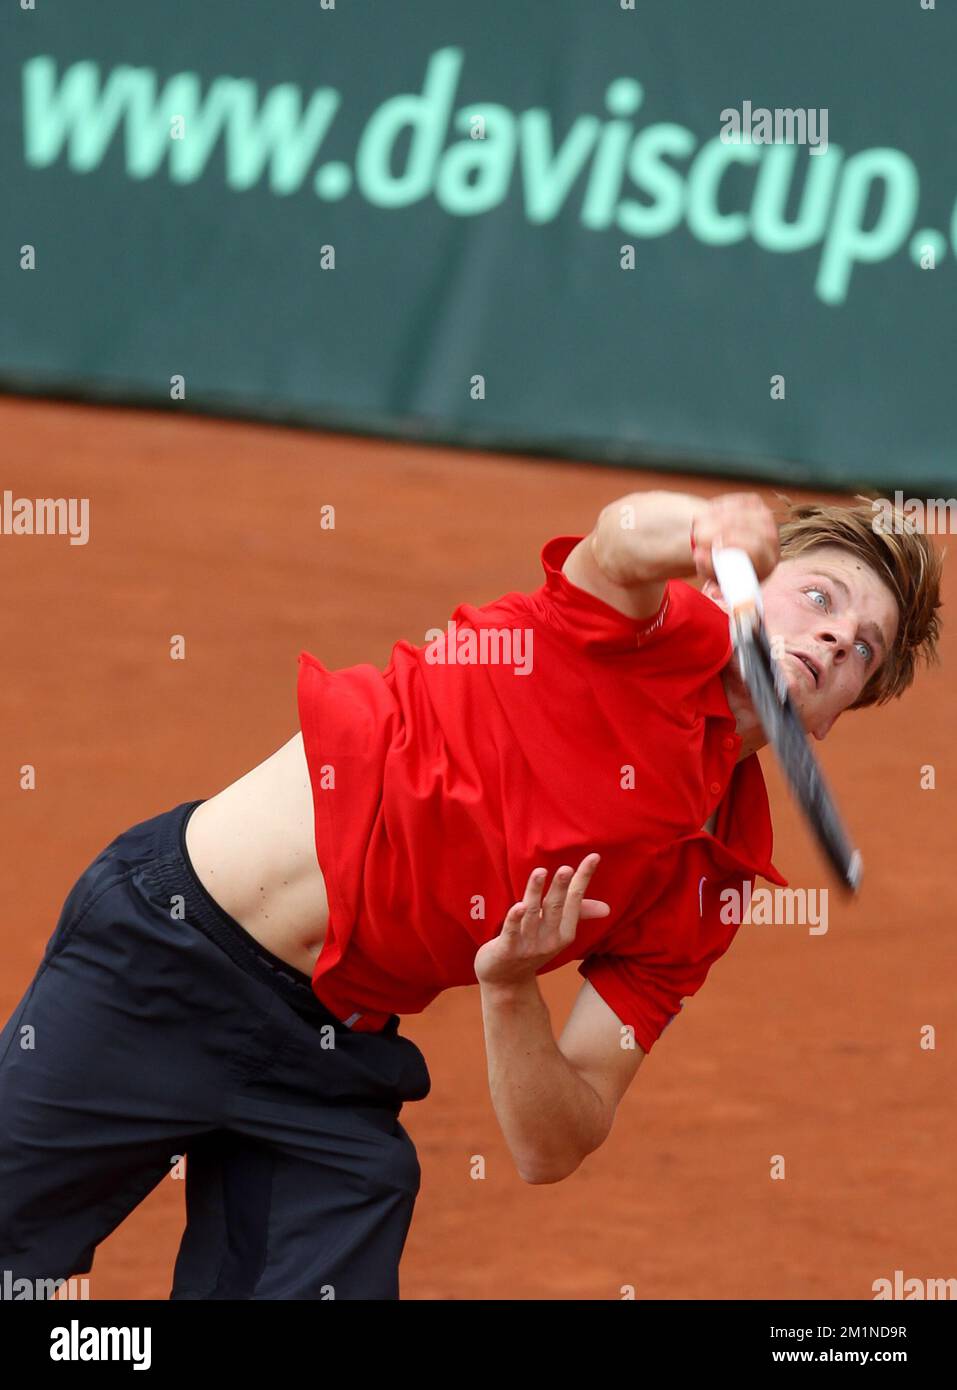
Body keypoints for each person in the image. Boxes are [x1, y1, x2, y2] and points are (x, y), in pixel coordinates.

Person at [0, 489, 941, 1300]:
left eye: (860, 649)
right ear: (729, 583)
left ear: (830, 718)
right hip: (165, 958)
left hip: (328, 1052)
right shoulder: (633, 629)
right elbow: (619, 539)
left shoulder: (711, 879)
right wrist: (703, 524)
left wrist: (510, 988)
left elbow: (554, 1141)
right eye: (817, 597)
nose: (832, 635)